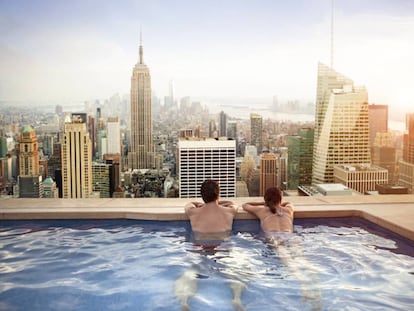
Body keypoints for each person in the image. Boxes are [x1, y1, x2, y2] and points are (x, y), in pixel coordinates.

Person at [176, 180, 245, 311]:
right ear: (218, 194)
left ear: (202, 196)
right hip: (222, 250)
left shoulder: (193, 212)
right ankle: (237, 298)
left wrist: (199, 204)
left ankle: (185, 301)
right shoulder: (228, 212)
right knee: (237, 274)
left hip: (199, 250)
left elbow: (188, 204)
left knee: (189, 274)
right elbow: (233, 205)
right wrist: (220, 203)